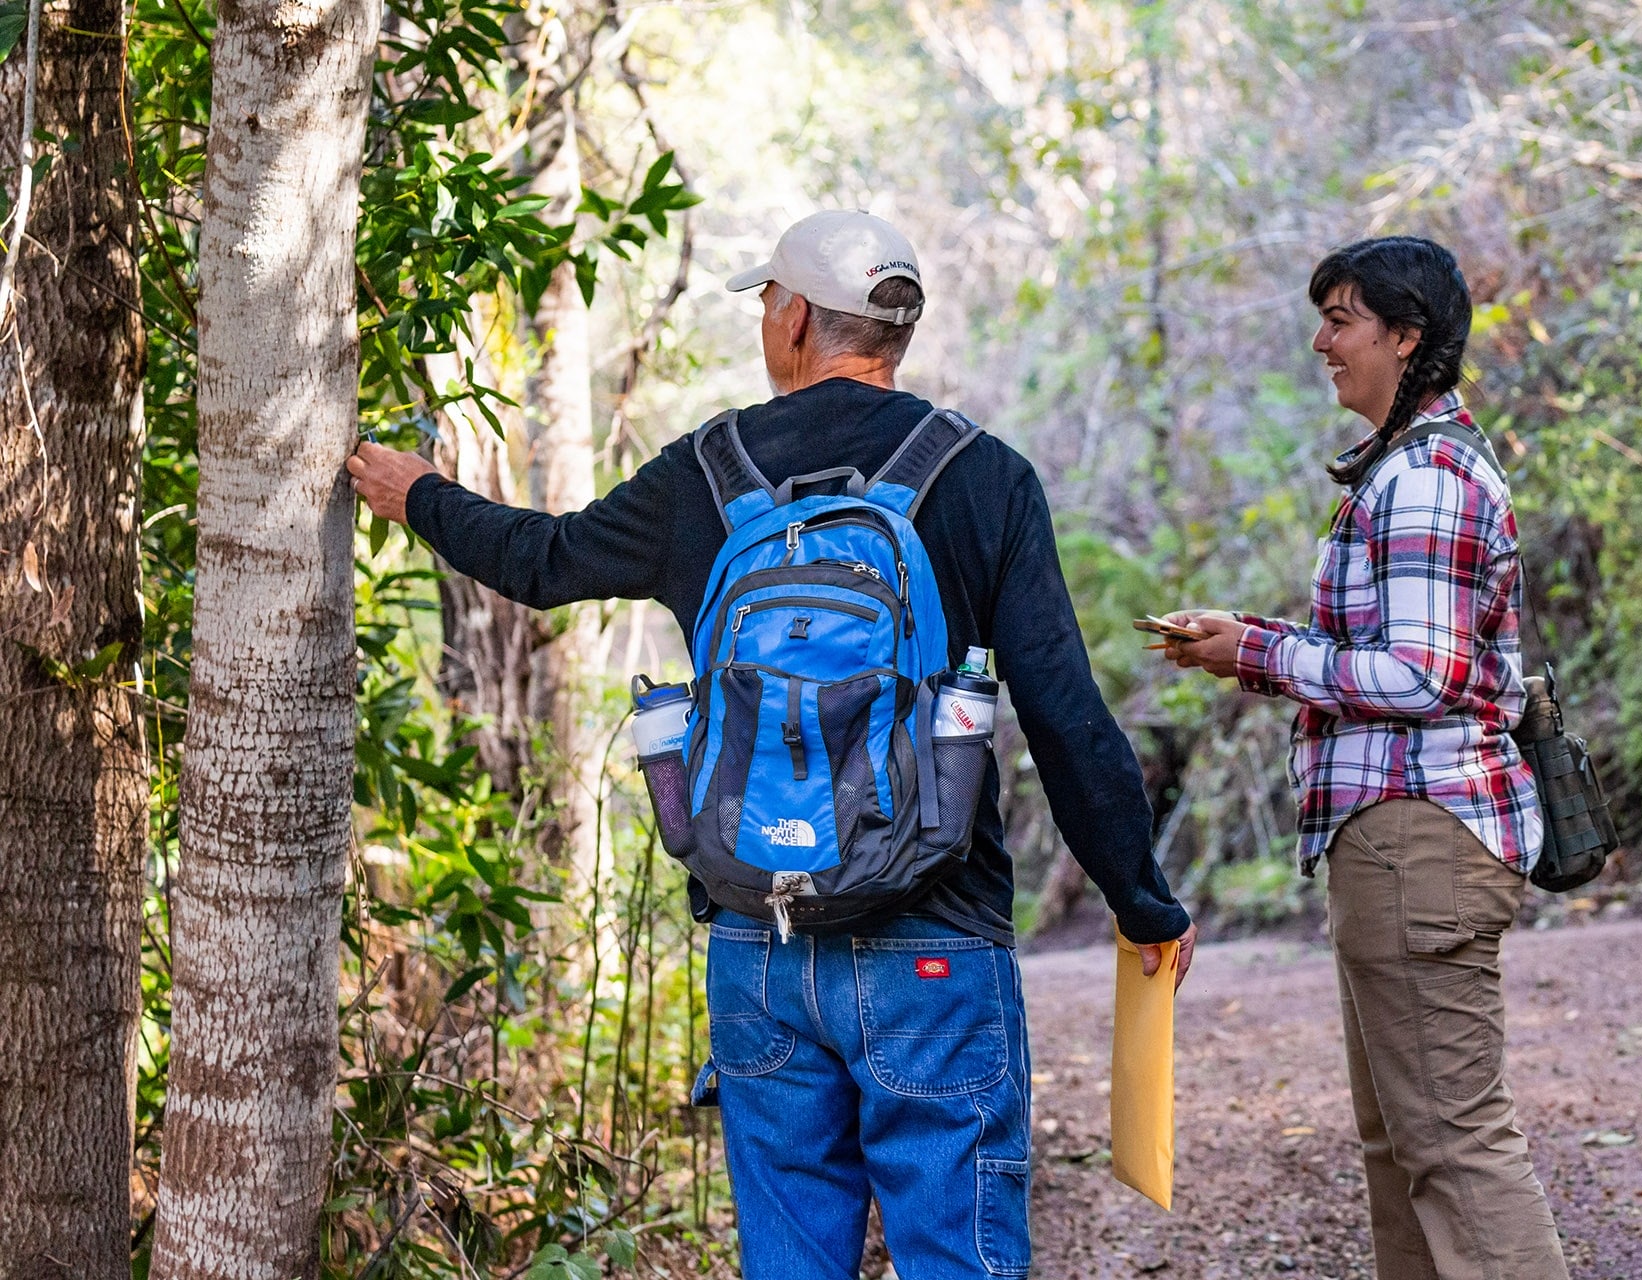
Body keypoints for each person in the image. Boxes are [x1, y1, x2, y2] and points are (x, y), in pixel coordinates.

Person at [348, 209, 1198, 1280]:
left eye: (766, 302)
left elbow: (544, 560)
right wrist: (1143, 902)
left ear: (794, 317)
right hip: (935, 934)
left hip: (760, 936)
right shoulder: (985, 477)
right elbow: (1069, 718)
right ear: (896, 331)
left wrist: (415, 491)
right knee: (959, 1252)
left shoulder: (706, 473)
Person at [1157, 236, 1568, 1280]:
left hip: (1417, 835)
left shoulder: (1428, 477)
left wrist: (1256, 650)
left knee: (1453, 1142)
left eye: (1343, 317)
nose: (1323, 339)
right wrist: (1250, 640)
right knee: (1403, 1144)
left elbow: (1424, 675)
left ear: (1408, 335)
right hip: (1393, 839)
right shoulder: (1407, 464)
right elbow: (1403, 658)